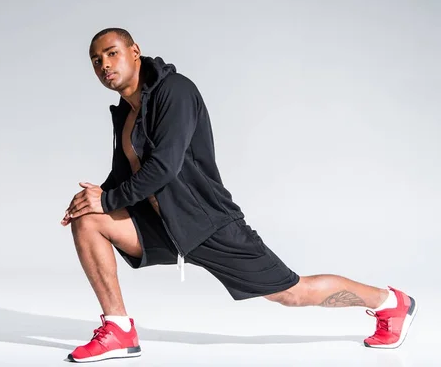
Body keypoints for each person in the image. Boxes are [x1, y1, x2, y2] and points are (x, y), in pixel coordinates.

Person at [60, 27, 417, 363]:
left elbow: (164, 167)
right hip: (161, 225)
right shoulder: (126, 112)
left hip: (206, 223)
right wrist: (92, 199)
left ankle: (391, 302)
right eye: (96, 59)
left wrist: (106, 200)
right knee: (88, 221)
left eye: (112, 53)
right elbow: (127, 175)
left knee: (292, 293)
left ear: (134, 53)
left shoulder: (175, 91)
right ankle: (119, 330)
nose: (104, 64)